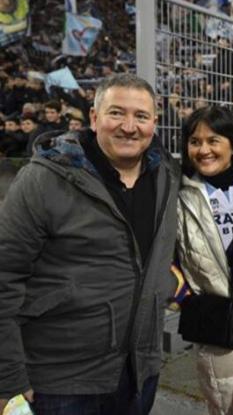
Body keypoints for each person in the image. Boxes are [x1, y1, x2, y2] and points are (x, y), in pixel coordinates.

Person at [0, 73, 180, 414]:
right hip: (59, 382)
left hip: (139, 373)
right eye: (117, 113)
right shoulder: (43, 179)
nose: (129, 126)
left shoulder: (164, 176)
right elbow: (4, 276)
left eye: (140, 116)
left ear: (154, 124)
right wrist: (7, 376)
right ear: (94, 118)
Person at [177, 106, 233, 415]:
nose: (204, 150)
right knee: (229, 402)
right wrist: (183, 294)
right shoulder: (179, 193)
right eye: (195, 141)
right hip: (219, 317)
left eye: (213, 140)